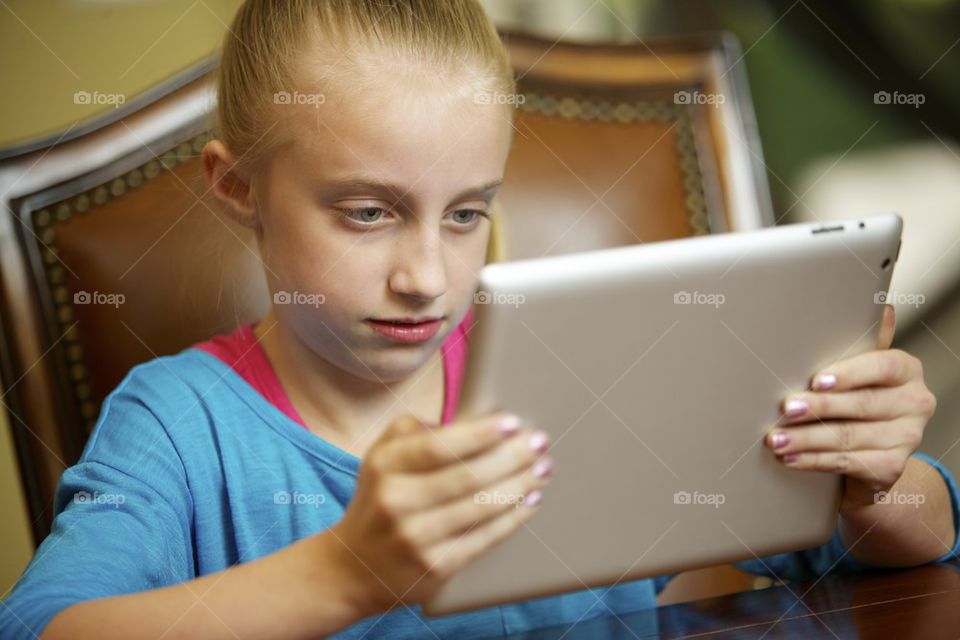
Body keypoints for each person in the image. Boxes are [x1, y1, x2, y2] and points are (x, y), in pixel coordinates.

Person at [2, 1, 958, 638]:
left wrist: (874, 479)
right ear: (237, 187)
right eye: (368, 211)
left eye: (467, 213)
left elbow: (903, 544)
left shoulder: (589, 372)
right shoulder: (181, 423)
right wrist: (348, 571)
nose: (426, 276)